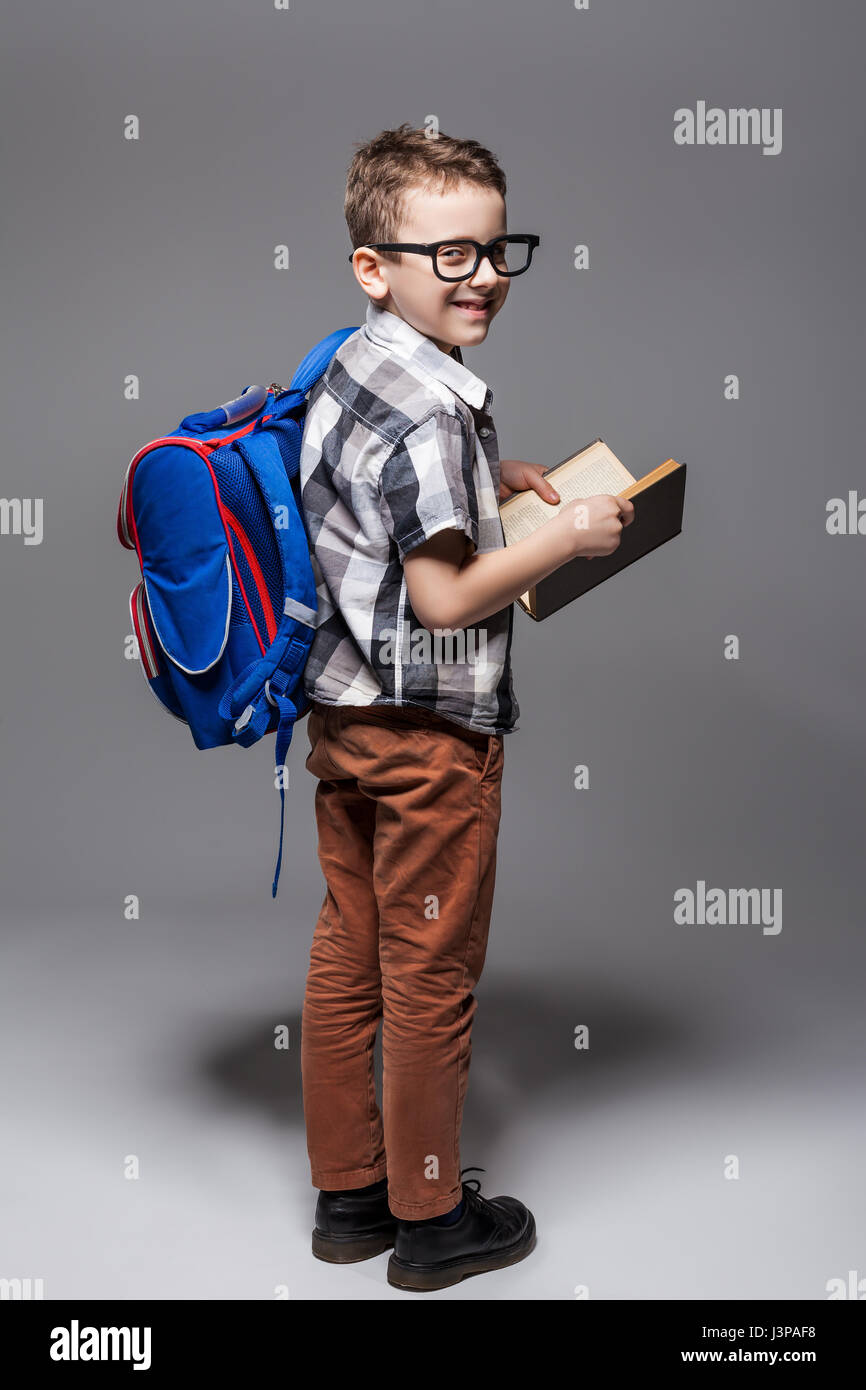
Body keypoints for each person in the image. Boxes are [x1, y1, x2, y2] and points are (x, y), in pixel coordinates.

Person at [298, 122, 633, 1292]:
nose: (481, 274)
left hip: (341, 722)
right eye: (447, 255)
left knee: (350, 953)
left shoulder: (354, 361)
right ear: (373, 264)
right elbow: (442, 599)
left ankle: (348, 1198)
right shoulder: (437, 408)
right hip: (429, 739)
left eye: (494, 249)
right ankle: (432, 1219)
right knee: (428, 975)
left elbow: (363, 506)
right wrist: (560, 538)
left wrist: (491, 487)